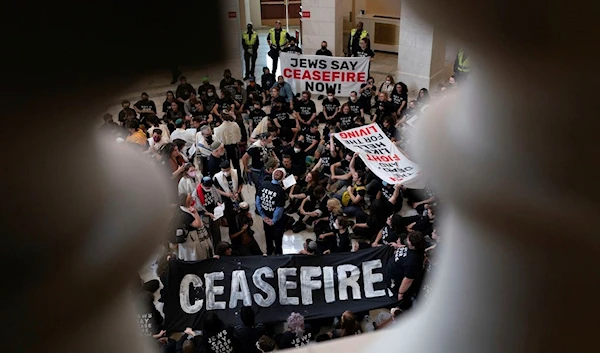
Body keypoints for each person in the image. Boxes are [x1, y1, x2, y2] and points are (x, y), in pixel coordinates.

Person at [385, 230, 426, 310]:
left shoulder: (413, 262)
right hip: (394, 272)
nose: (406, 240)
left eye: (408, 240)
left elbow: (408, 280)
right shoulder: (411, 249)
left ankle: (403, 308)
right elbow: (406, 248)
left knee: (403, 300)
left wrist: (401, 293)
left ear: (413, 246)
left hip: (398, 281)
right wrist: (397, 246)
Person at [174, 193, 214, 261]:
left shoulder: (183, 209)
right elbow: (198, 224)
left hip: (190, 238)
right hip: (191, 238)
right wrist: (195, 213)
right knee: (192, 256)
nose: (192, 200)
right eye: (190, 199)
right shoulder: (184, 215)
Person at [256, 168, 286, 255]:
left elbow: (258, 202)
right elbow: (279, 209)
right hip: (276, 221)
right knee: (277, 239)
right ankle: (278, 254)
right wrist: (273, 221)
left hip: (265, 217)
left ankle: (269, 252)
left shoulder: (264, 184)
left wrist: (263, 216)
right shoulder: (280, 191)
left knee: (268, 236)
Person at [193, 176, 222, 245]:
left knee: (216, 232)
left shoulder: (212, 187)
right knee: (208, 234)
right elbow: (198, 209)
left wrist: (218, 203)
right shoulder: (196, 193)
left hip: (214, 212)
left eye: (209, 187)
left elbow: (216, 196)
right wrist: (208, 214)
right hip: (205, 215)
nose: (208, 189)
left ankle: (218, 247)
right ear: (202, 185)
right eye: (207, 188)